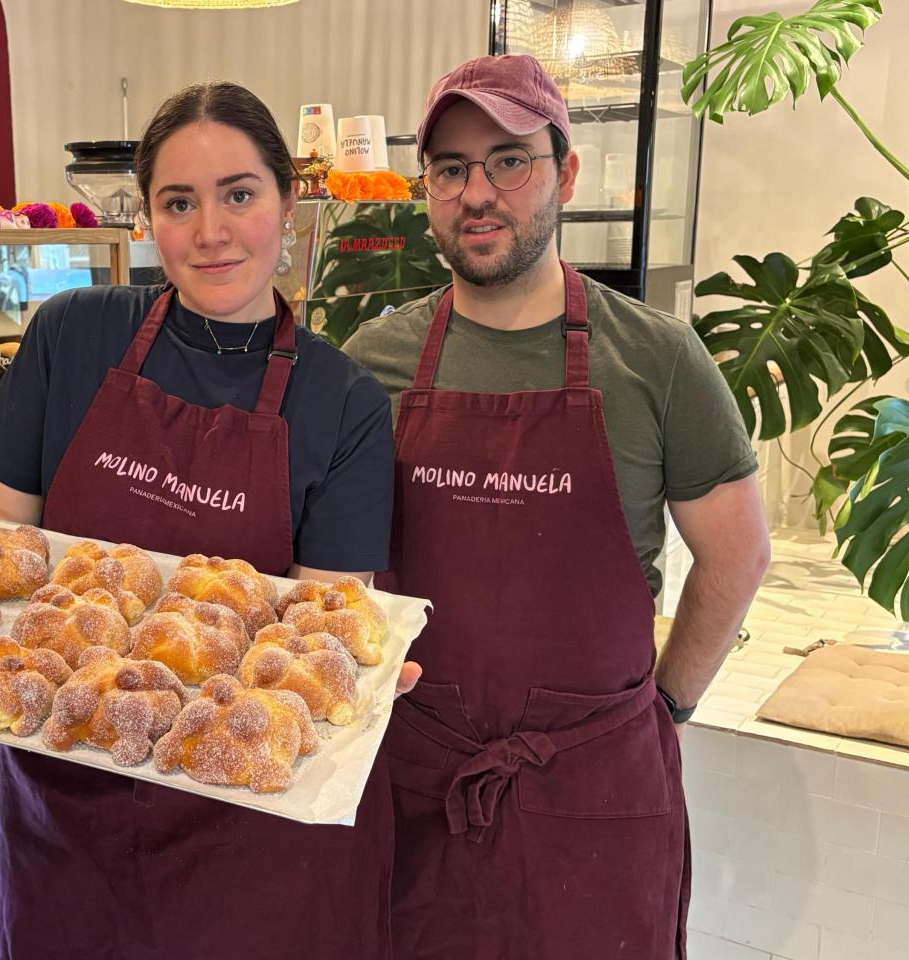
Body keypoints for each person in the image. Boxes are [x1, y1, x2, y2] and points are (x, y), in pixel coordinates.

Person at [0, 81, 409, 959]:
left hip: (243, 821)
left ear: (288, 202)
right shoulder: (72, 335)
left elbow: (314, 641)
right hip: (66, 791)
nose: (210, 231)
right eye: (179, 202)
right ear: (148, 219)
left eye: (239, 194)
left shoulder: (343, 401)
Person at [344, 55, 771, 959]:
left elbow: (737, 556)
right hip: (419, 792)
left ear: (566, 172)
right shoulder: (375, 360)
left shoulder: (656, 359)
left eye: (510, 160)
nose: (477, 193)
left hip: (595, 798)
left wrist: (666, 707)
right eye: (451, 169)